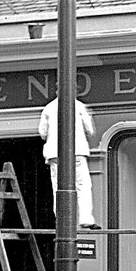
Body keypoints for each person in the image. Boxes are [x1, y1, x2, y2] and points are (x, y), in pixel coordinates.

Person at [37, 95, 99, 229]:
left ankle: (61, 219)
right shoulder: (79, 106)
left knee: (57, 187)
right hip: (76, 150)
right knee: (82, 185)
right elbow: (90, 129)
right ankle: (85, 218)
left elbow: (42, 132)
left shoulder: (48, 107)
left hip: (54, 153)